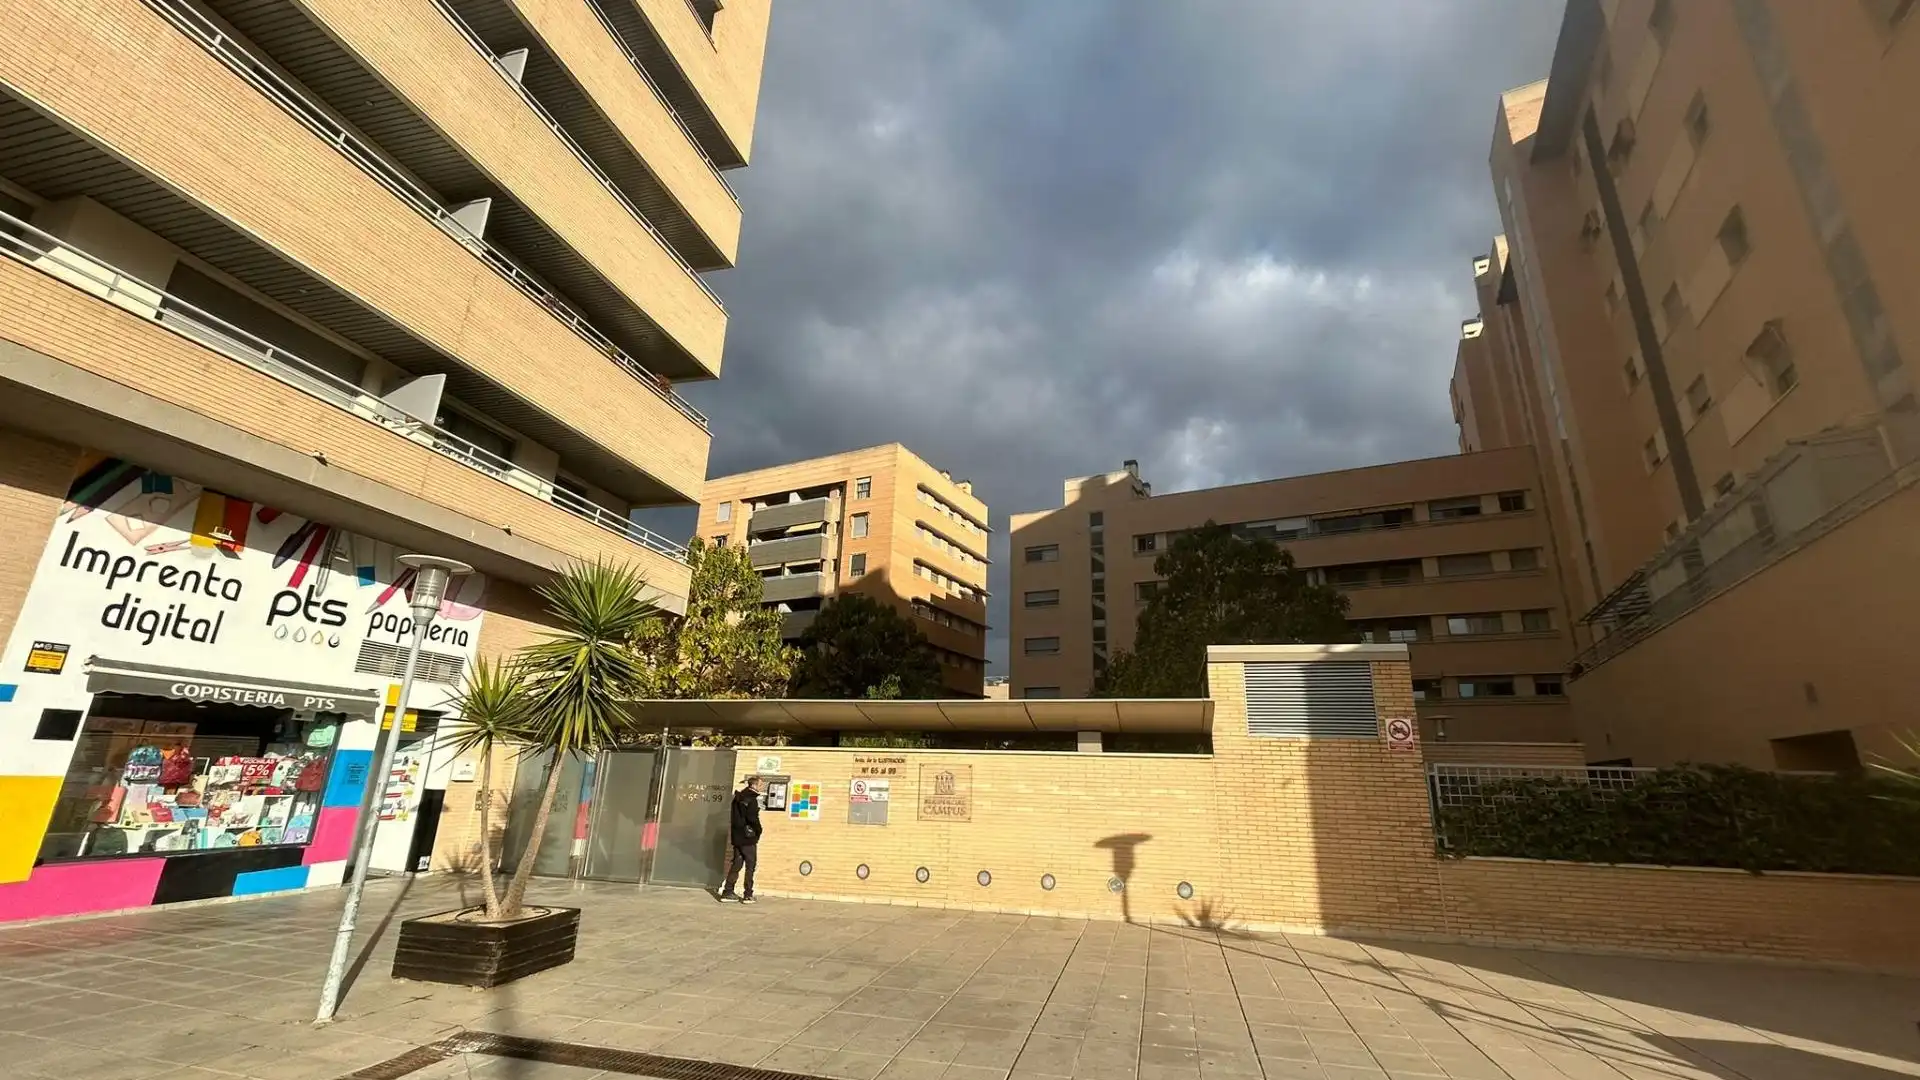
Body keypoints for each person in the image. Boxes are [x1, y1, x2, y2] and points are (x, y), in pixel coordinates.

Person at [719, 776, 763, 904]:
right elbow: (752, 819)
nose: (762, 787)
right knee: (751, 865)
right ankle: (748, 894)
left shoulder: (738, 798)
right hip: (748, 838)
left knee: (737, 863)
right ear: (754, 785)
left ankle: (727, 892)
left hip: (737, 837)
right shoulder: (752, 799)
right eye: (761, 785)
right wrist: (759, 830)